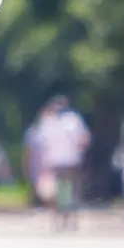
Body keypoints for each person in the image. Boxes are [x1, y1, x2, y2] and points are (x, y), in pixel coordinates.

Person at [30, 96, 91, 230]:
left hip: (54, 161)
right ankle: (70, 217)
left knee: (58, 191)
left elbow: (40, 144)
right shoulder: (73, 120)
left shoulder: (48, 121)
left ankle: (58, 218)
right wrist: (79, 151)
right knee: (71, 190)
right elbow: (84, 139)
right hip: (72, 160)